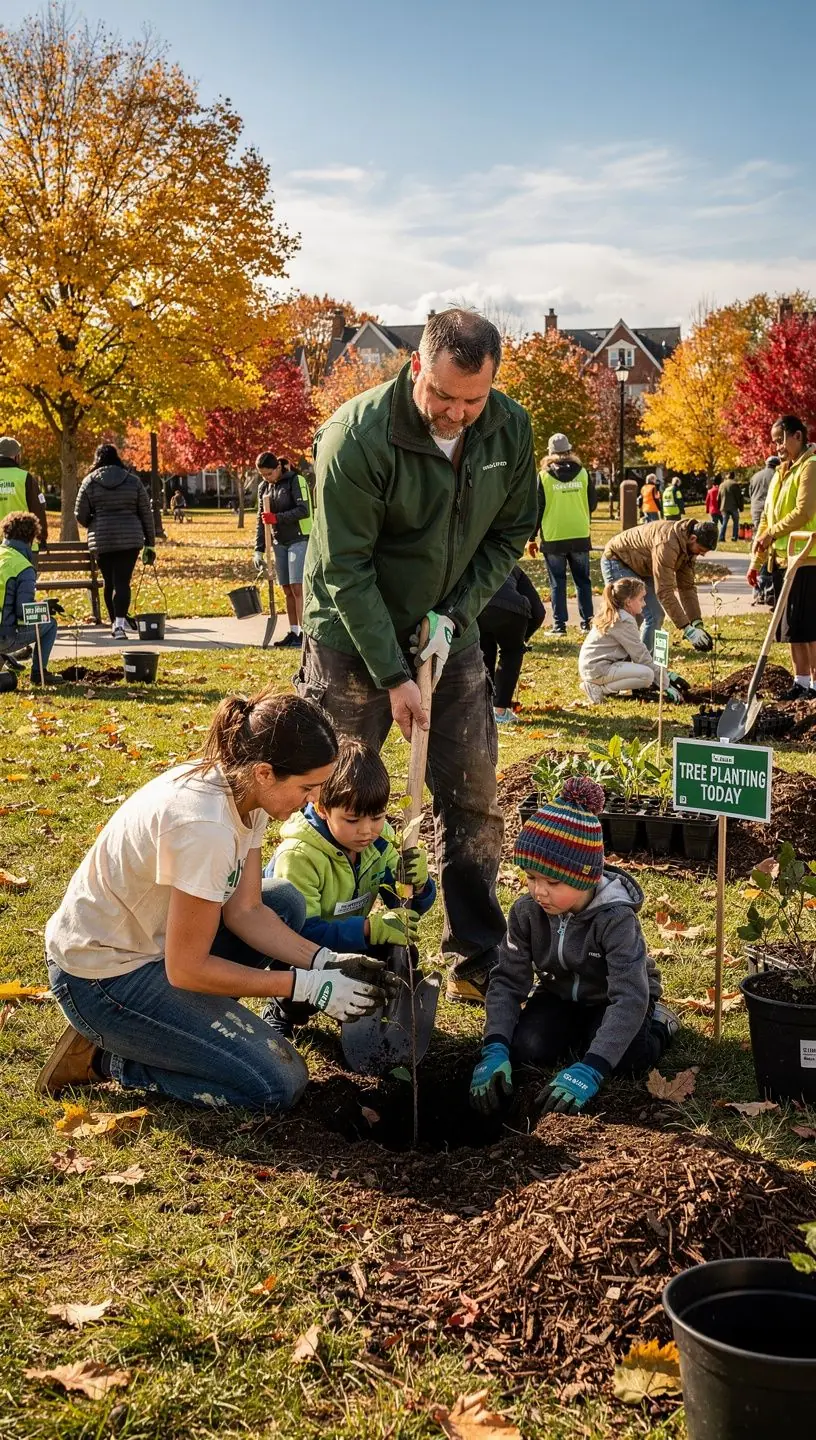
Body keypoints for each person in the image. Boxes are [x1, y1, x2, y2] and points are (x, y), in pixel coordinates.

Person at [300, 308, 538, 1005]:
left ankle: (475, 954)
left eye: (474, 400)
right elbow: (345, 568)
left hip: (448, 634)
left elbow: (511, 529)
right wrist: (396, 676)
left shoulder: (508, 428)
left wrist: (455, 615)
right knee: (336, 790)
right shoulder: (357, 437)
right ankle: (327, 948)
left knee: (471, 791)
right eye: (443, 396)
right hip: (351, 636)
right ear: (416, 370)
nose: (458, 413)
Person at [37, 691, 392, 1110]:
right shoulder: (205, 828)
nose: (314, 801)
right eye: (308, 787)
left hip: (155, 948)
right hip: (101, 977)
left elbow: (248, 910)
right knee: (277, 1084)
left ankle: (174, 1030)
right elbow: (187, 968)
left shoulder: (247, 794)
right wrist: (305, 985)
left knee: (283, 902)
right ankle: (105, 1059)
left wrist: (324, 961)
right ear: (265, 772)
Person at [469, 778, 678, 1117]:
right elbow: (507, 981)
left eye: (553, 882)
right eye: (531, 878)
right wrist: (494, 1046)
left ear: (586, 878)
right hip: (559, 993)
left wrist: (591, 1068)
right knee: (526, 1049)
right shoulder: (527, 913)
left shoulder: (616, 920)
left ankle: (660, 1024)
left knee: (626, 1062)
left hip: (615, 998)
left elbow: (629, 996)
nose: (539, 891)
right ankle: (581, 1033)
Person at [266, 736, 437, 1034]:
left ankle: (372, 1021)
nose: (366, 831)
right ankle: (282, 1007)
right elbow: (299, 934)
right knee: (297, 979)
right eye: (352, 819)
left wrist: (418, 887)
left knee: (402, 953)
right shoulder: (299, 856)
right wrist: (369, 929)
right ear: (321, 808)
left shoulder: (380, 840)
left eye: (377, 817)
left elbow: (403, 905)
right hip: (298, 951)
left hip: (349, 937)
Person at [749, 415, 816, 700]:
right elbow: (766, 517)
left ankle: (815, 684)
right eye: (774, 441)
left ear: (798, 436)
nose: (777, 447)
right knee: (790, 628)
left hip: (807, 558)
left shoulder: (810, 467)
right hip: (781, 559)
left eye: (781, 440)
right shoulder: (780, 472)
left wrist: (772, 533)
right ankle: (800, 682)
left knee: (809, 626)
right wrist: (756, 560)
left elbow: (804, 511)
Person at [600, 517, 718, 654]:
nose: (702, 554)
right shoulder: (667, 543)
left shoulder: (688, 549)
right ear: (692, 538)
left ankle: (637, 658)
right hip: (618, 560)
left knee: (647, 615)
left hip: (642, 566)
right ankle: (638, 660)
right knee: (649, 615)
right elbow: (664, 591)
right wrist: (687, 628)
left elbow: (686, 587)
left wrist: (696, 622)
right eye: (702, 549)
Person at [75, 444, 155, 639]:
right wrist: (150, 542)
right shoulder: (132, 481)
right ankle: (119, 624)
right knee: (122, 582)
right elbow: (146, 512)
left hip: (102, 539)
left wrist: (92, 523)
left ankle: (115, 624)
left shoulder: (89, 482)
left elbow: (80, 513)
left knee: (109, 582)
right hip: (130, 539)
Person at [578, 577, 685, 703]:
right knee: (647, 675)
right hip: (598, 668)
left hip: (593, 667)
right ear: (629, 602)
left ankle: (599, 686)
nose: (644, 603)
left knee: (647, 673)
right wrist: (665, 685)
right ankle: (599, 689)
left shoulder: (616, 614)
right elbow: (640, 654)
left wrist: (665, 674)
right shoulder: (624, 620)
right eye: (641, 599)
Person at [535, 432, 596, 635]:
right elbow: (593, 503)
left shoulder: (543, 476)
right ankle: (588, 622)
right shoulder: (583, 473)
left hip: (554, 536)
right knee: (583, 581)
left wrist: (531, 536)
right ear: (569, 451)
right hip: (579, 534)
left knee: (557, 582)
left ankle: (559, 626)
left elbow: (537, 508)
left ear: (551, 453)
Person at [253, 452, 313, 648]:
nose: (266, 478)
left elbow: (304, 510)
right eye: (262, 475)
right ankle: (294, 632)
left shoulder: (296, 481)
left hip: (299, 539)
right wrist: (258, 549)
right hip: (279, 542)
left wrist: (277, 518)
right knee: (286, 588)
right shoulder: (264, 488)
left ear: (278, 467)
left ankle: (306, 633)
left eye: (268, 474)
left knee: (297, 587)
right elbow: (260, 521)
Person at [477, 565, 546, 723]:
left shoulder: (475, 560)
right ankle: (500, 710)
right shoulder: (512, 567)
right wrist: (524, 636)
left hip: (480, 607)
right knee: (512, 652)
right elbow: (539, 612)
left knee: (484, 651)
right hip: (514, 610)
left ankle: (482, 704)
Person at [0, 511, 61, 684]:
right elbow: (23, 613)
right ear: (30, 538)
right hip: (4, 637)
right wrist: (45, 608)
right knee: (50, 625)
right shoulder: (23, 567)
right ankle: (39, 673)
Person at [0, 436, 48, 546]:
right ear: (16, 456)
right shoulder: (26, 478)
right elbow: (38, 509)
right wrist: (42, 537)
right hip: (23, 545)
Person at [749, 456, 779, 606]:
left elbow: (750, 494)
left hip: (756, 513)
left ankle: (758, 591)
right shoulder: (777, 475)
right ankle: (767, 589)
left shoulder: (755, 476)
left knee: (757, 547)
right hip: (769, 515)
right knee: (766, 550)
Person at [717, 472, 744, 542]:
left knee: (724, 522)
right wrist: (741, 507)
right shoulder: (735, 484)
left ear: (727, 476)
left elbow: (718, 498)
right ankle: (734, 537)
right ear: (733, 476)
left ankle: (721, 537)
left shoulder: (722, 485)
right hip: (733, 506)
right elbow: (739, 497)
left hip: (724, 506)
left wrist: (719, 507)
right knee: (736, 522)